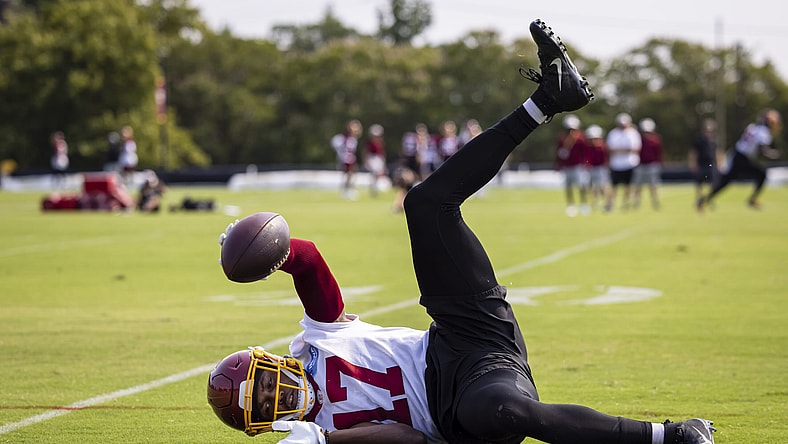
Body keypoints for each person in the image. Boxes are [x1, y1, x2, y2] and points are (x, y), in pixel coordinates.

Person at [208, 19, 716, 444]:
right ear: (262, 425)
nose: (278, 395)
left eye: (264, 384)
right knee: (502, 413)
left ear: (267, 360)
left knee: (426, 204)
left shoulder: (316, 341)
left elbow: (310, 260)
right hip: (457, 405)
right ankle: (671, 436)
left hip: (458, 334)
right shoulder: (315, 432)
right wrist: (324, 439)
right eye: (265, 405)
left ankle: (548, 99)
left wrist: (270, 251)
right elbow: (407, 439)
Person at [697, 109, 782, 211]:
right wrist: (774, 154)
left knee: (726, 181)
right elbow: (762, 150)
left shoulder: (753, 127)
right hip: (743, 158)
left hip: (738, 155)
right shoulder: (763, 132)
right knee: (762, 174)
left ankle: (704, 200)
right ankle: (752, 199)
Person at [604, 113, 641, 212]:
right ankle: (610, 204)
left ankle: (626, 204)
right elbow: (610, 149)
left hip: (630, 163)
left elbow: (636, 148)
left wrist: (619, 150)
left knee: (628, 186)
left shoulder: (633, 133)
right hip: (616, 164)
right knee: (613, 186)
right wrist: (624, 150)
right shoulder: (613, 133)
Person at [554, 114, 590, 216]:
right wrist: (558, 164)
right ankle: (571, 205)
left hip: (578, 166)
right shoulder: (562, 138)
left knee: (582, 186)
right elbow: (558, 152)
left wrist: (586, 164)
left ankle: (583, 204)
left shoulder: (581, 138)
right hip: (567, 166)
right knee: (568, 187)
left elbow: (585, 152)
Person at [688, 119, 722, 205]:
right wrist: (693, 163)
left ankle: (710, 199)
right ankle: (699, 199)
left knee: (713, 182)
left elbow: (718, 152)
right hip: (701, 163)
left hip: (711, 164)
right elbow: (693, 152)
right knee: (699, 183)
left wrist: (719, 164)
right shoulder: (699, 140)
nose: (709, 132)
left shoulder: (714, 141)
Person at [632, 118, 663, 210]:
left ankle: (655, 202)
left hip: (652, 166)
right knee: (638, 186)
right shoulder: (638, 139)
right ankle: (636, 203)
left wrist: (658, 164)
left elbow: (658, 154)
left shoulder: (656, 140)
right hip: (640, 165)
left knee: (653, 185)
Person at [331, 119, 363, 200]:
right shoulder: (345, 137)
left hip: (350, 159)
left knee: (351, 175)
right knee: (348, 175)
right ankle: (346, 191)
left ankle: (347, 190)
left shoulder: (352, 138)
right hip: (346, 159)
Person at [583, 124, 611, 212]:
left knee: (603, 187)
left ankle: (608, 203)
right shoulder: (588, 147)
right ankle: (595, 204)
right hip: (592, 169)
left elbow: (607, 158)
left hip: (601, 169)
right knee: (592, 188)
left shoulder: (603, 147)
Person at [363, 123, 387, 197]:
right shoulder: (370, 142)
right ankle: (373, 189)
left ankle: (376, 188)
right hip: (373, 158)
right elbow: (366, 151)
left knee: (379, 174)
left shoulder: (380, 142)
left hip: (379, 158)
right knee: (374, 174)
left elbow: (382, 152)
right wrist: (366, 160)